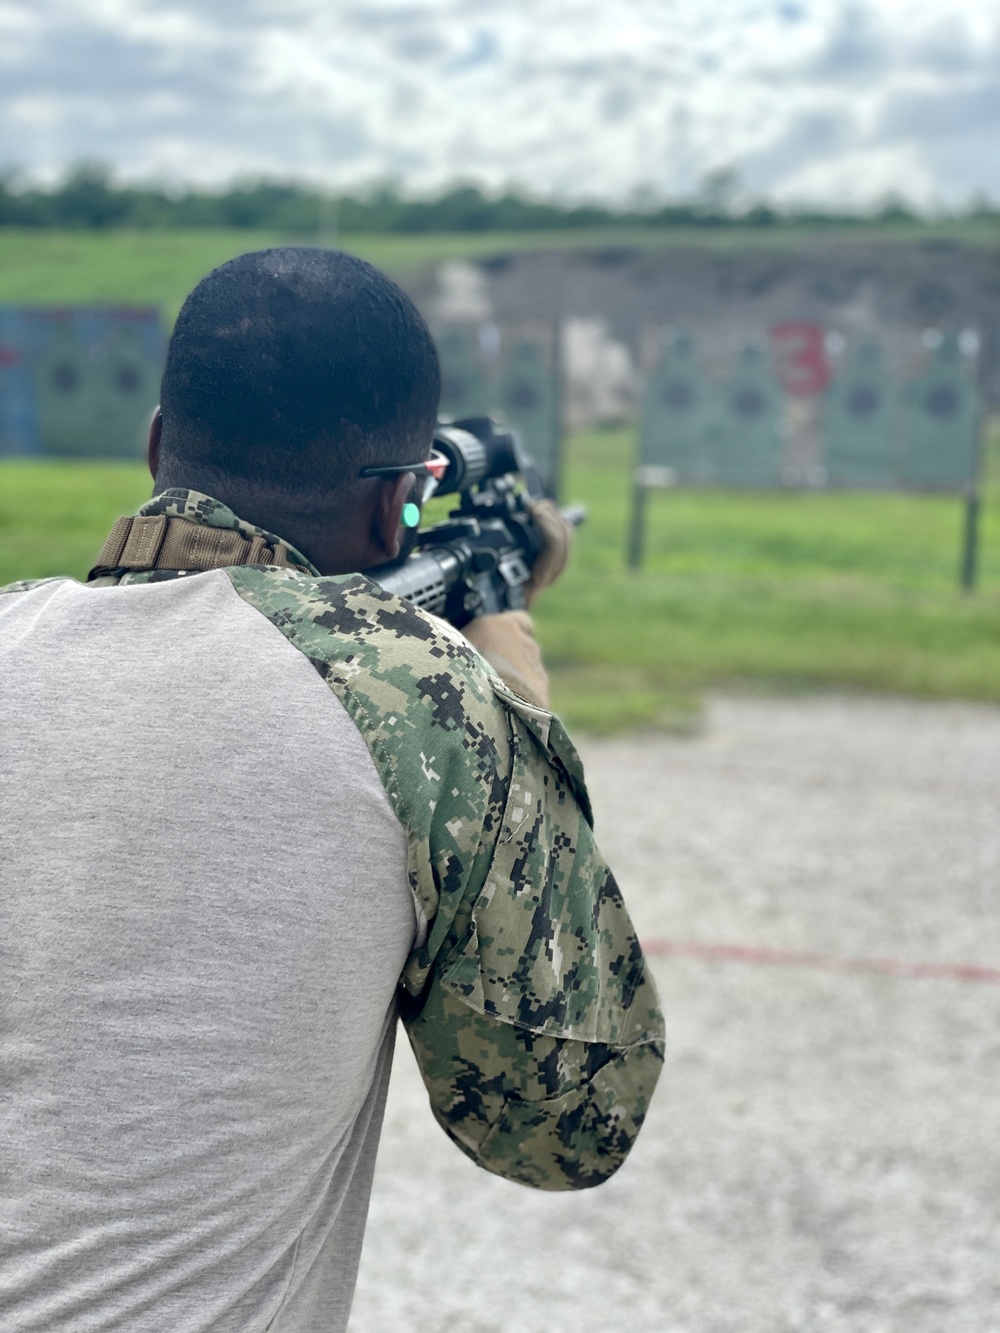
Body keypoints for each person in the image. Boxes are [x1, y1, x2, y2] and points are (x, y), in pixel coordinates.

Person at [0, 248, 664, 1332]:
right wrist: (508, 681)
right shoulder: (412, 690)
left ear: (159, 446)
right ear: (406, 497)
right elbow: (564, 1121)